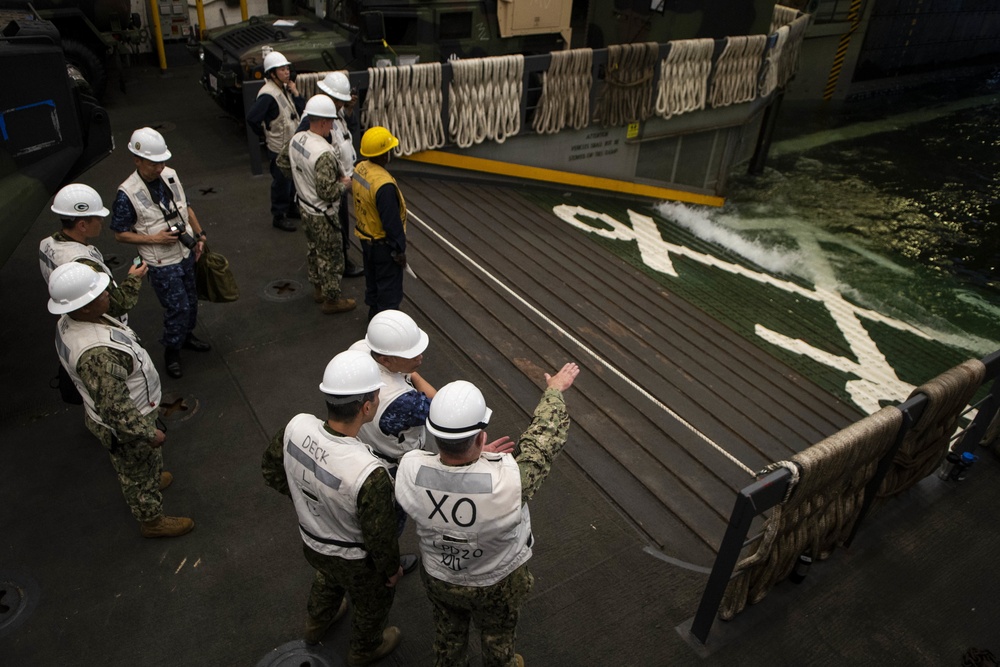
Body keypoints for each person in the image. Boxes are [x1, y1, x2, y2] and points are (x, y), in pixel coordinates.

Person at [395, 362, 580, 667]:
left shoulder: (410, 470)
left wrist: (476, 459)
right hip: (497, 581)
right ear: (481, 438)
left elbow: (435, 465)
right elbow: (542, 440)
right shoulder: (510, 481)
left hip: (440, 574)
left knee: (448, 634)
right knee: (499, 636)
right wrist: (554, 391)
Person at [261, 349, 403, 665]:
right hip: (355, 560)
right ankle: (365, 649)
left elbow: (271, 471)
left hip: (313, 542)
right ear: (367, 407)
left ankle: (315, 625)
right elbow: (380, 539)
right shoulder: (368, 471)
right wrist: (392, 571)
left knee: (327, 576)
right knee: (372, 600)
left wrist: (309, 500)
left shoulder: (295, 428)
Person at [47, 262, 194, 538]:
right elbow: (116, 410)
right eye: (100, 292)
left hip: (123, 414)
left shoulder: (71, 320)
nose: (107, 294)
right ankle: (152, 520)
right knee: (135, 470)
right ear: (84, 305)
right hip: (130, 424)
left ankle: (148, 477)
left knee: (139, 465)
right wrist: (148, 432)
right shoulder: (97, 354)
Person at [111, 126, 211, 380]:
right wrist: (154, 238)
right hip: (161, 262)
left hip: (185, 253)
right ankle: (172, 350)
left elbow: (184, 206)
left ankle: (186, 336)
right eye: (153, 163)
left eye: (161, 161)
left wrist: (199, 235)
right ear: (137, 159)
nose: (159, 168)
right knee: (177, 307)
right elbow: (119, 233)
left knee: (190, 301)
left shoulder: (170, 175)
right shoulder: (127, 194)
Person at [355, 310, 437, 573]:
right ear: (385, 358)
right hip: (394, 468)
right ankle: (384, 566)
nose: (420, 357)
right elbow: (439, 407)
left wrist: (408, 371)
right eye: (411, 355)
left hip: (364, 447)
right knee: (390, 522)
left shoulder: (359, 349)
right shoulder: (403, 402)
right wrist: (413, 376)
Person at [277, 95, 355, 314]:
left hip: (304, 206)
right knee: (332, 256)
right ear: (322, 122)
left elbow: (282, 163)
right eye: (331, 121)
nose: (332, 125)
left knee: (313, 249)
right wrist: (345, 185)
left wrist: (302, 181)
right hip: (323, 214)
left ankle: (318, 289)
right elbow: (328, 193)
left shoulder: (298, 139)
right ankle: (332, 300)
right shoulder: (324, 153)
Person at [39, 183, 148, 323]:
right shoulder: (83, 263)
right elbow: (120, 304)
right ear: (82, 225)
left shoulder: (46, 244)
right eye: (98, 218)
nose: (102, 222)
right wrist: (134, 278)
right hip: (100, 323)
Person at [295, 71, 365, 278]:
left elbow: (345, 132)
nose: (343, 105)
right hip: (331, 181)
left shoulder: (334, 111)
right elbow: (301, 141)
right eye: (341, 101)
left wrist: (349, 111)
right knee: (337, 224)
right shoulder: (313, 117)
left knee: (341, 221)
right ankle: (340, 265)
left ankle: (339, 260)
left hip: (342, 174)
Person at [352, 126, 408, 322]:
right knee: (389, 294)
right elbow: (392, 225)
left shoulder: (359, 168)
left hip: (365, 239)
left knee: (373, 284)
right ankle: (384, 332)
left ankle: (372, 319)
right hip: (383, 248)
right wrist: (399, 251)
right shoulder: (383, 185)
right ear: (384, 155)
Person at [246, 50, 303, 232]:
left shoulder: (283, 89)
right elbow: (252, 118)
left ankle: (291, 208)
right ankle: (279, 216)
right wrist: (265, 134)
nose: (287, 72)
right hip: (279, 147)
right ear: (272, 74)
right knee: (281, 182)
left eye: (287, 68)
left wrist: (295, 92)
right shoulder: (268, 95)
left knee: (293, 179)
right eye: (282, 69)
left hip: (290, 145)